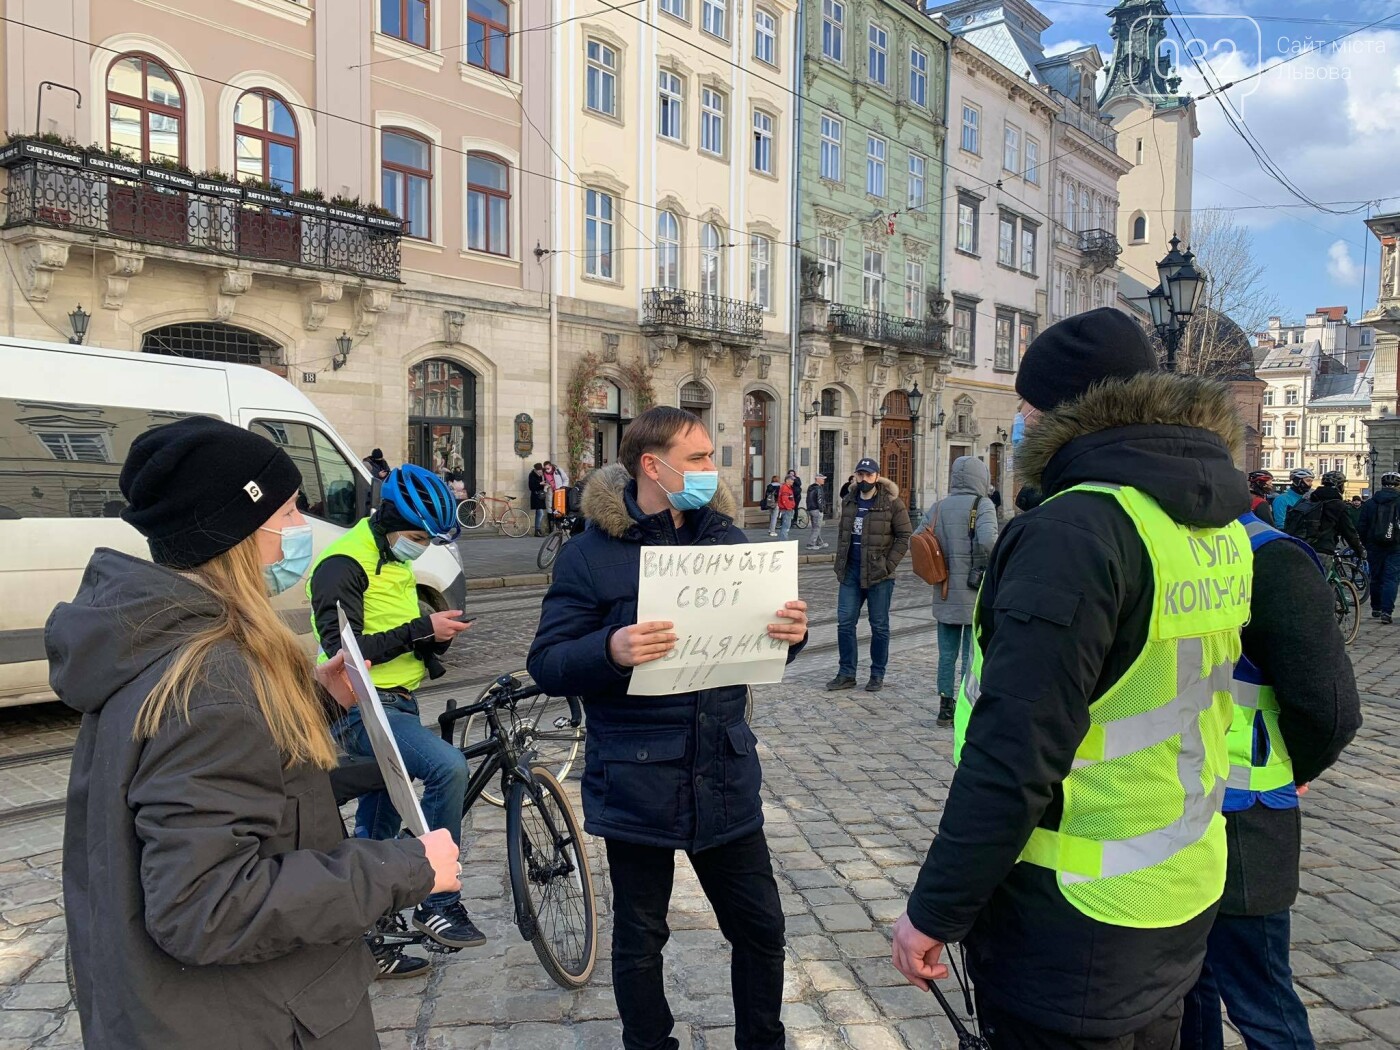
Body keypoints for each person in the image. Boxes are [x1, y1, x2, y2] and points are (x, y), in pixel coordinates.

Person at [891, 308, 1255, 1047]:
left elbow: (1015, 751)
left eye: (1026, 408)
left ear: (1065, 412)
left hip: (1074, 920)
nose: (1018, 424)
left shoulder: (1074, 529)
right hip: (1180, 887)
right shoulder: (1209, 522)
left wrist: (935, 911)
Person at [50, 416, 460, 1048]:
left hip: (206, 1008)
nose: (301, 530)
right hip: (247, 1019)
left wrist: (314, 705)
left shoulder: (166, 642)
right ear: (238, 532)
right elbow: (204, 906)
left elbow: (236, 785)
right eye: (291, 511)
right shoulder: (212, 678)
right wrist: (402, 867)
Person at [527, 406, 809, 1050]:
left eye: (712, 456)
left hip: (725, 770)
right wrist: (611, 648)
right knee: (641, 938)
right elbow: (546, 663)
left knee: (762, 928)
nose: (714, 469)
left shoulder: (730, 543)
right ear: (652, 466)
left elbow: (760, 648)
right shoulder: (589, 556)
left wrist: (791, 636)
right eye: (700, 457)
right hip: (637, 774)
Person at [1180, 512, 1360, 1050]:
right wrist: (1293, 767)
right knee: (1253, 999)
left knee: (1200, 995)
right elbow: (1329, 711)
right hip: (1243, 810)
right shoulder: (1270, 555)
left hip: (1178, 809)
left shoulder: (1143, 538)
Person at [308, 464, 485, 970]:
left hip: (398, 702)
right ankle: (438, 902)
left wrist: (431, 637)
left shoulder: (393, 554)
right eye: (415, 537)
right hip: (363, 708)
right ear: (388, 520)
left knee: (379, 827)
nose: (421, 547)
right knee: (447, 766)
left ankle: (368, 940)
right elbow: (343, 653)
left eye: (430, 541)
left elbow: (394, 627)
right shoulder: (342, 565)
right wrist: (419, 629)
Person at [918, 456, 998, 727]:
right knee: (971, 654)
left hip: (945, 588)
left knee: (946, 653)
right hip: (974, 592)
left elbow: (918, 539)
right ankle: (966, 704)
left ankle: (944, 705)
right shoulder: (983, 504)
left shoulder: (939, 507)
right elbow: (988, 540)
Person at [829, 457, 912, 693]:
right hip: (851, 572)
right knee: (845, 623)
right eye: (860, 475)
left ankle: (877, 674)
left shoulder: (892, 503)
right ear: (855, 476)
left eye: (868, 475)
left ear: (877, 476)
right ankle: (846, 673)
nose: (864, 479)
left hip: (879, 575)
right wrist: (840, 564)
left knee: (879, 626)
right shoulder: (849, 501)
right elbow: (843, 536)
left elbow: (905, 536)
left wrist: (888, 565)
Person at [1285, 470, 1364, 573]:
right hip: (1322, 550)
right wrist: (1359, 550)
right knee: (1320, 585)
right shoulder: (1338, 505)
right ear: (1339, 486)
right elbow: (1349, 532)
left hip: (1300, 547)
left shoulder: (1308, 499)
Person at [1359, 471, 1400, 624]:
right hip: (1395, 546)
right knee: (1391, 579)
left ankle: (1376, 607)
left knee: (1376, 577)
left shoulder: (1370, 503)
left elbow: (1362, 525)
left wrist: (1365, 542)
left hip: (1374, 545)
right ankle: (1386, 611)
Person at [806, 473, 831, 550]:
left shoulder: (810, 487)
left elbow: (808, 499)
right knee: (817, 527)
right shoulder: (818, 488)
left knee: (816, 526)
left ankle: (819, 542)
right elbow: (819, 500)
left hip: (811, 509)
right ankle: (811, 544)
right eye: (822, 479)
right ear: (818, 479)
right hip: (817, 509)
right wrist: (822, 509)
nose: (824, 480)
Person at [776, 472, 798, 540]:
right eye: (791, 480)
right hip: (786, 509)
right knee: (786, 526)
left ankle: (784, 540)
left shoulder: (787, 487)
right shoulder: (785, 488)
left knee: (786, 526)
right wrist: (789, 507)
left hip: (787, 509)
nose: (793, 481)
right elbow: (784, 499)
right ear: (787, 480)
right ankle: (784, 541)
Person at [529, 461, 549, 536]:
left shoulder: (542, 475)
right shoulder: (532, 475)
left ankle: (538, 530)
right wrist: (539, 483)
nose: (540, 472)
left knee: (539, 513)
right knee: (540, 513)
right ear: (536, 470)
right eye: (539, 471)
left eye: (541, 471)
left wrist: (545, 484)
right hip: (535, 496)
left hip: (541, 496)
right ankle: (537, 530)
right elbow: (531, 487)